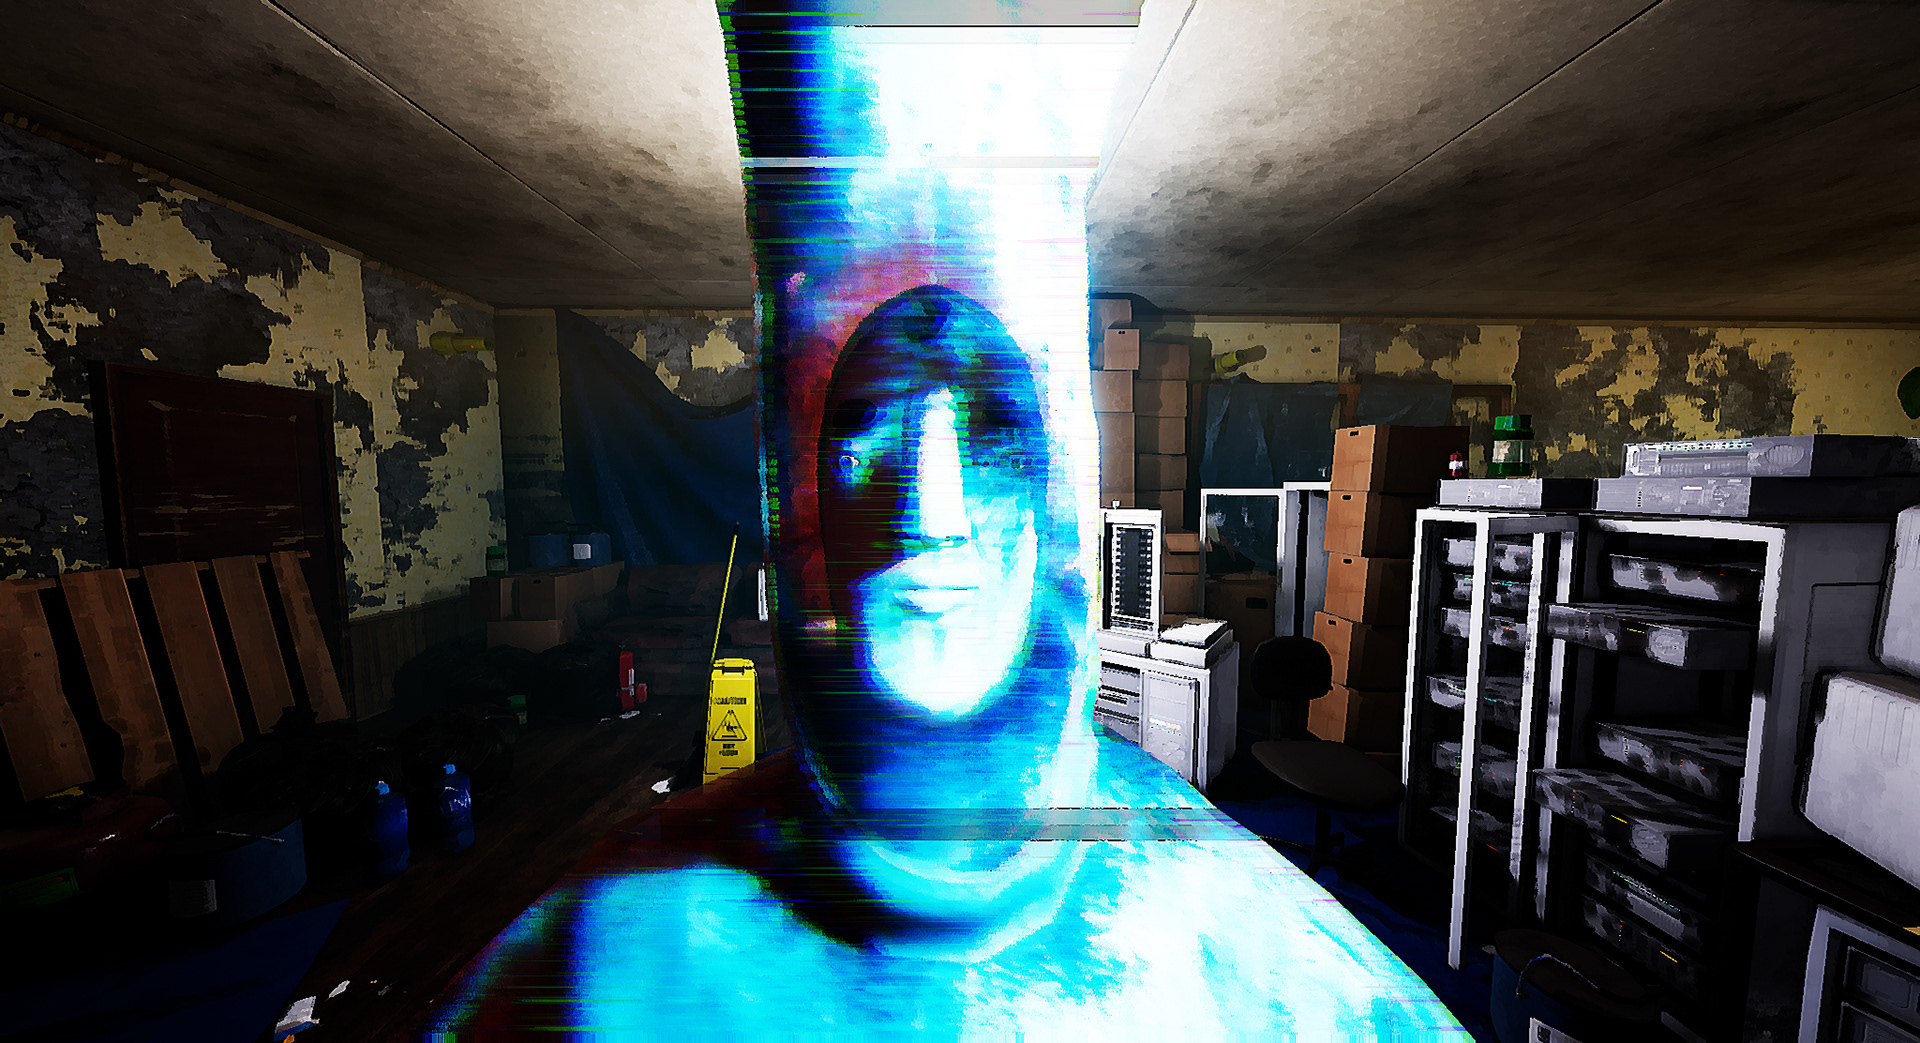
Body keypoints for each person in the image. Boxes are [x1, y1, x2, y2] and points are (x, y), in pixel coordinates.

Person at [425, 6, 1465, 1036]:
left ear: (1056, 489)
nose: (926, 514)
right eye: (866, 429)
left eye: (990, 430)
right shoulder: (594, 964)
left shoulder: (1288, 988)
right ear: (797, 485)